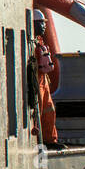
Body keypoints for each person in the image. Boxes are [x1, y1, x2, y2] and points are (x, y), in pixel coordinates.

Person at [29, 9, 60, 147]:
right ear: (34, 24)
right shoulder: (31, 44)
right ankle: (40, 141)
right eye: (41, 23)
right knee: (39, 112)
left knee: (49, 110)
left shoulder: (39, 42)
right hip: (37, 82)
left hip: (44, 81)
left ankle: (50, 140)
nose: (44, 26)